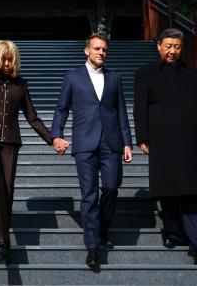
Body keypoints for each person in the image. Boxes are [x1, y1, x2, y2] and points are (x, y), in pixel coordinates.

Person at [134, 28, 197, 264]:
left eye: (177, 47)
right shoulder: (146, 73)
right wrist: (142, 136)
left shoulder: (194, 74)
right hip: (161, 142)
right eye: (168, 46)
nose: (173, 51)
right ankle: (173, 232)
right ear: (159, 46)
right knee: (168, 192)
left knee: (191, 193)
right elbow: (140, 108)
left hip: (188, 143)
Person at [0, 40, 56, 264]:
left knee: (7, 188)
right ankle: (1, 242)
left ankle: (1, 237)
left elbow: (32, 117)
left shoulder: (21, 85)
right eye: (4, 58)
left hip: (11, 142)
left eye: (11, 58)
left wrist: (52, 139)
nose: (8, 63)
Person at [51, 32, 133, 268]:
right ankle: (92, 246)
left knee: (110, 187)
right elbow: (61, 108)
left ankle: (101, 229)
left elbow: (121, 112)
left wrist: (127, 141)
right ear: (87, 50)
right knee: (89, 194)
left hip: (112, 141)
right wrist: (57, 135)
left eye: (104, 50)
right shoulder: (72, 77)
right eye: (96, 48)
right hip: (85, 142)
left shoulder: (115, 78)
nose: (101, 53)